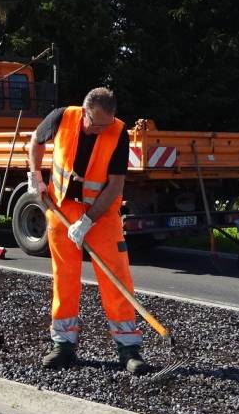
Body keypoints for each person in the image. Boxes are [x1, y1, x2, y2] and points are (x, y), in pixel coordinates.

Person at [25, 87, 148, 375]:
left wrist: (88, 220)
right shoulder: (62, 117)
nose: (99, 129)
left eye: (106, 124)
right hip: (62, 208)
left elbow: (115, 186)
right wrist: (35, 177)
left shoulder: (118, 133)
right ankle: (63, 345)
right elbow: (35, 141)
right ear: (84, 112)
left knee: (115, 277)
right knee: (64, 277)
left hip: (101, 215)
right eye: (95, 123)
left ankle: (129, 349)